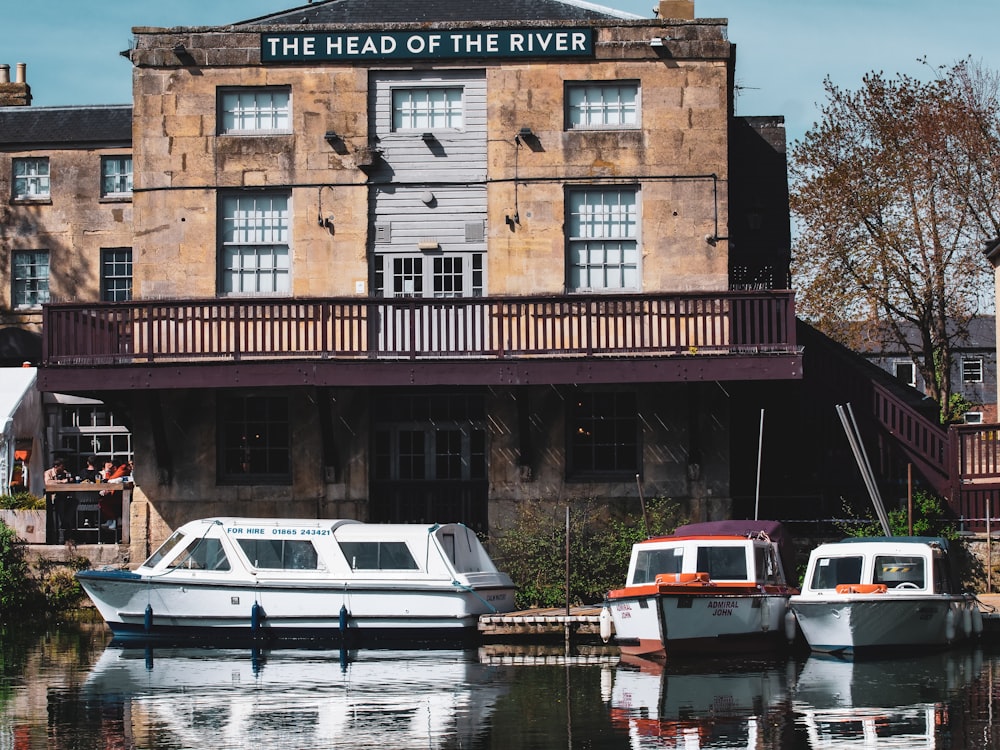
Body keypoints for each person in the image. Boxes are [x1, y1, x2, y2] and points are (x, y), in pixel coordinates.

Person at [44, 458, 75, 543]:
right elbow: (47, 482)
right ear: (56, 467)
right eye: (62, 467)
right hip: (53, 498)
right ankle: (61, 534)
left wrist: (70, 480)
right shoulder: (48, 473)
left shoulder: (64, 473)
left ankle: (66, 525)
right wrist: (61, 482)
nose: (63, 468)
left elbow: (69, 480)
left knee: (74, 502)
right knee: (60, 503)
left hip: (65, 497)